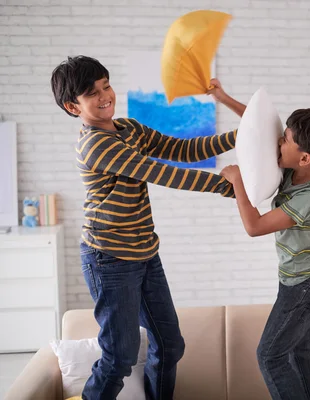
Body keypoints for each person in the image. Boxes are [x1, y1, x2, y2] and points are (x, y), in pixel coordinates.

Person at [51, 55, 237, 400]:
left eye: (106, 85)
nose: (105, 95)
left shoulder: (130, 129)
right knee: (119, 356)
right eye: (92, 93)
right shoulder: (95, 143)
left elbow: (181, 150)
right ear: (72, 106)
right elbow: (161, 172)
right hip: (108, 257)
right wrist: (230, 187)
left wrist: (241, 136)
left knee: (169, 346)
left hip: (144, 251)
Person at [210, 79, 310, 400]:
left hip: (305, 281)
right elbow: (256, 130)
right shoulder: (307, 163)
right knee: (300, 345)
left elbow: (256, 226)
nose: (278, 142)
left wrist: (238, 183)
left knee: (270, 355)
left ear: (304, 158)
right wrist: (223, 98)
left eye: (285, 140)